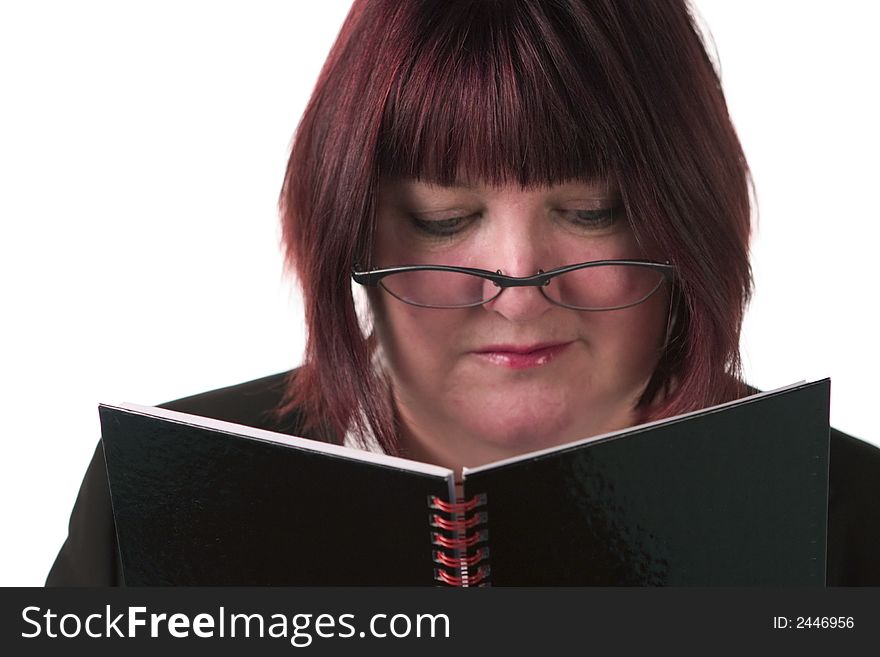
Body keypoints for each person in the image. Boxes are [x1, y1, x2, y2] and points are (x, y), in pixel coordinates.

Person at [46, 0, 879, 586]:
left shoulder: (856, 519)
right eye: (444, 218)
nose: (516, 291)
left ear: (686, 223)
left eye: (589, 210)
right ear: (356, 230)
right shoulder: (155, 494)